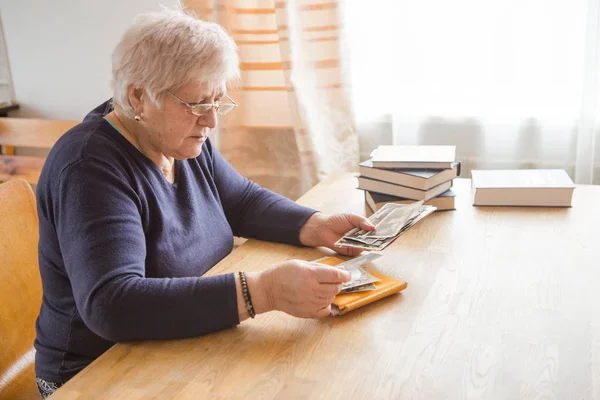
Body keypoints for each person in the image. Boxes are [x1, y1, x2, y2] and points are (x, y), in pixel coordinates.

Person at [33, 8, 374, 398]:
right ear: (138, 97)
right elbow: (113, 304)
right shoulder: (89, 167)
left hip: (176, 350)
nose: (211, 121)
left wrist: (315, 224)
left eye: (216, 101)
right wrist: (263, 293)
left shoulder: (175, 140)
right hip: (96, 375)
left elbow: (241, 202)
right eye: (196, 104)